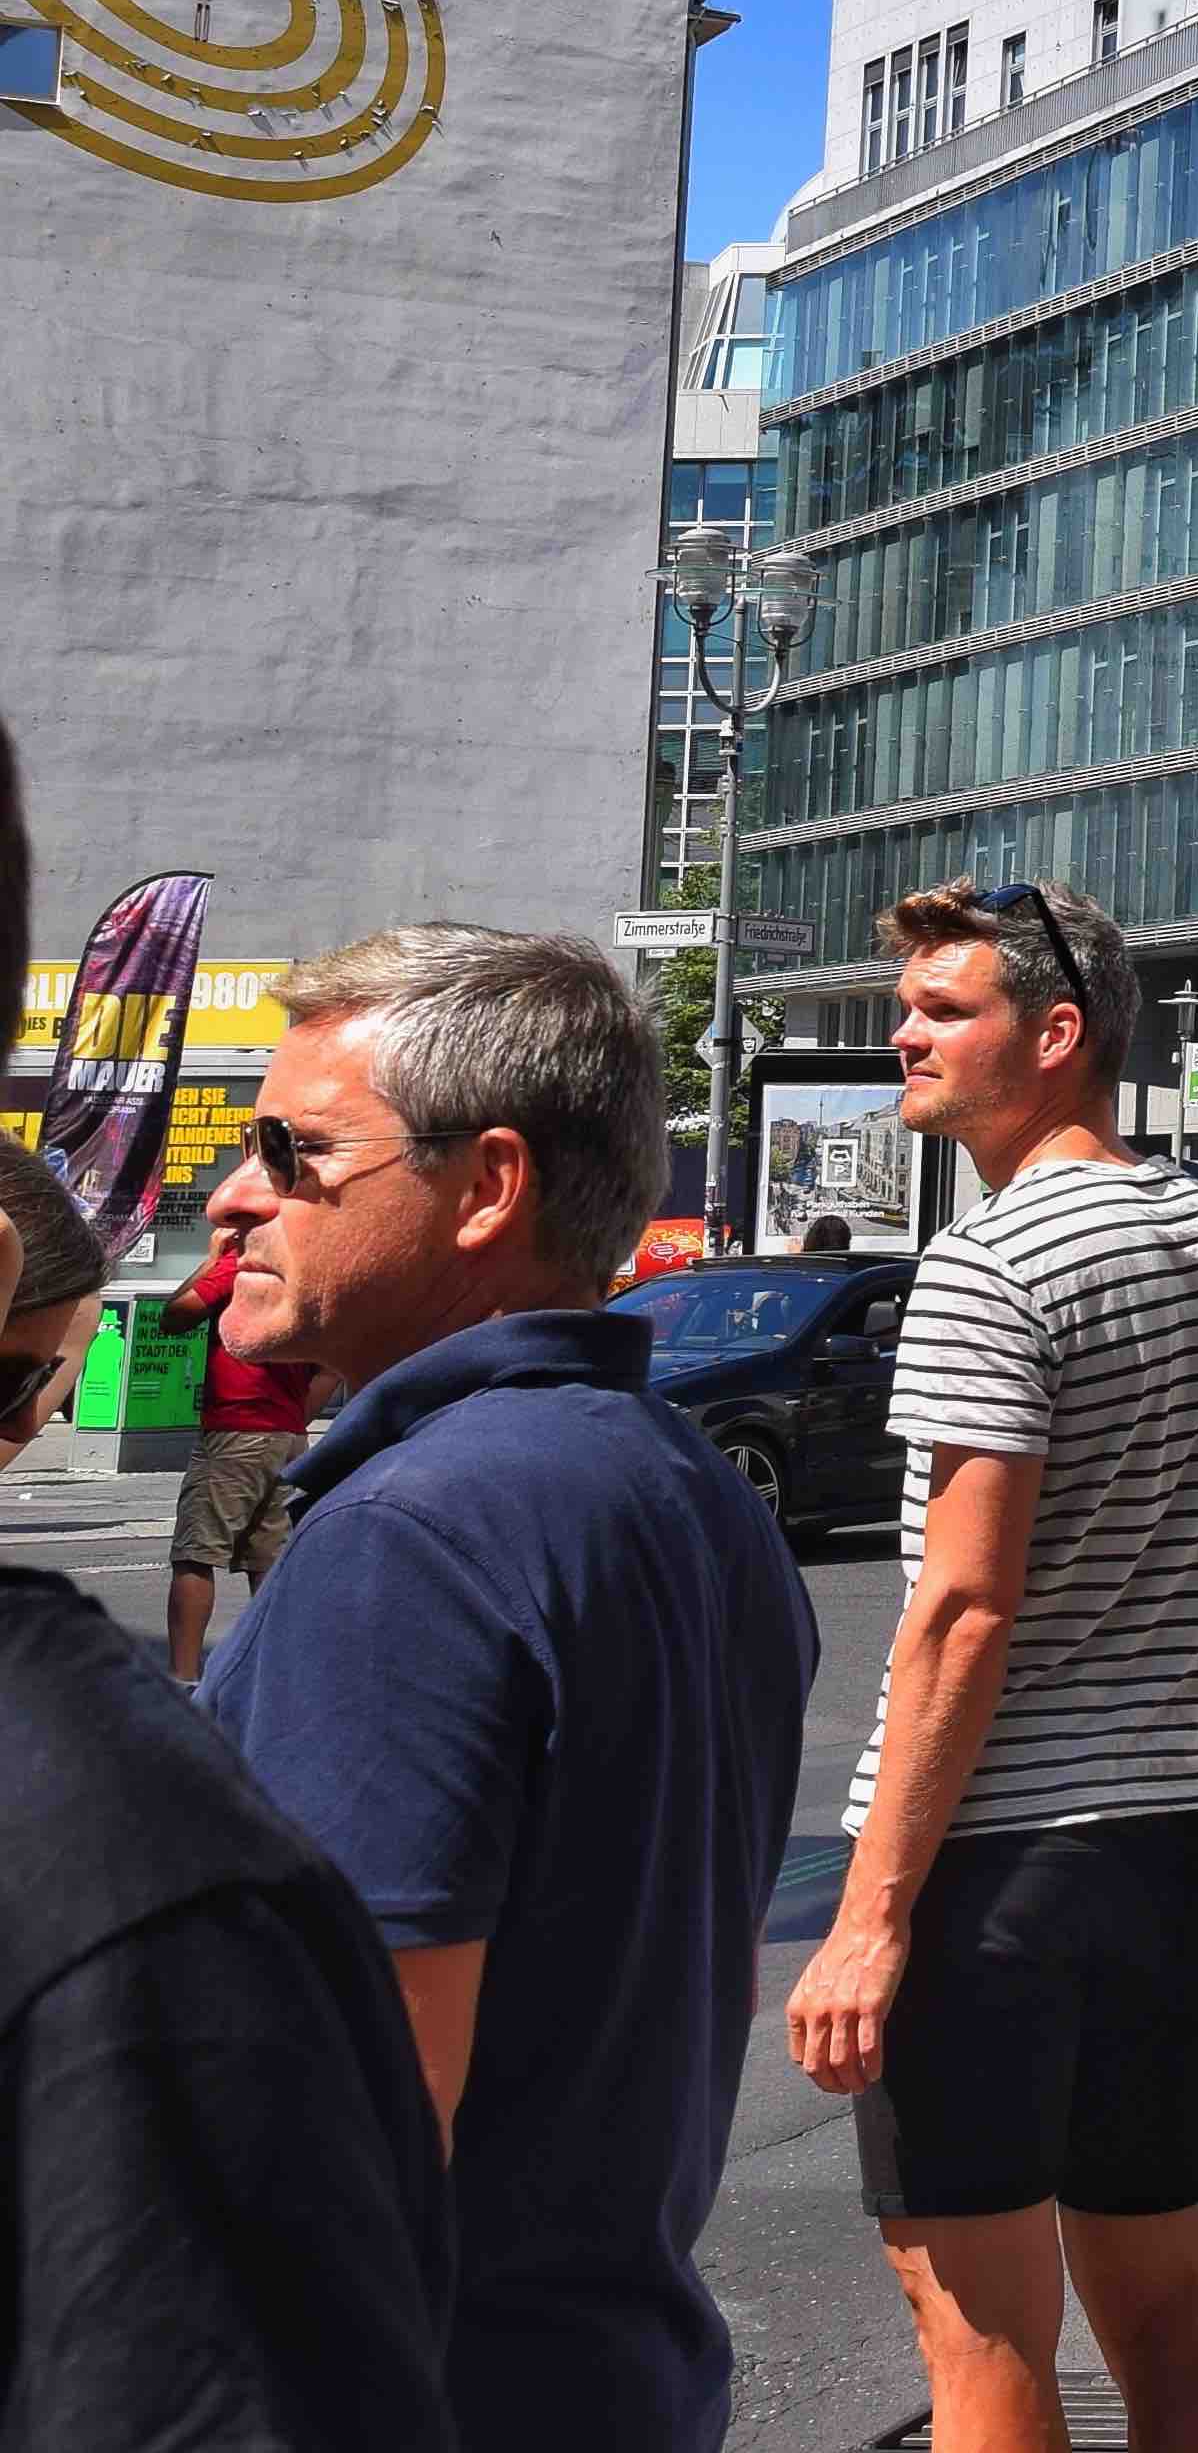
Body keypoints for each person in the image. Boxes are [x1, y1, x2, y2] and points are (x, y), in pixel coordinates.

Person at [174, 933, 812, 2452]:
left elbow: (351, 2140)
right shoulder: (688, 1492)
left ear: (490, 1184)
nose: (234, 1194)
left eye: (296, 1150)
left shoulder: (410, 1538)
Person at [789, 882, 1198, 2453]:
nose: (906, 1032)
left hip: (992, 1869)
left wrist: (873, 1911)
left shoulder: (990, 1264)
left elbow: (964, 1607)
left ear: (1059, 1033)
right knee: (1163, 2305)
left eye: (946, 1009)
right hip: (1160, 1848)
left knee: (981, 2332)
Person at [0, 1136, 466, 2453]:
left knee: (207, 1553)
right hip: (278, 1452)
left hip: (238, 1443)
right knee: (253, 1554)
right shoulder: (141, 1824)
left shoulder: (123, 1828)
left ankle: (211, 1656)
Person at [146, 1201, 322, 1680]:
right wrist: (293, 1417)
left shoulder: (243, 1264)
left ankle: (183, 1677)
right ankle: (269, 1672)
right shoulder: (305, 1269)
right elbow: (327, 1368)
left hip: (236, 1429)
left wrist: (210, 1261)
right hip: (285, 1433)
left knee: (195, 1553)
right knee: (266, 1559)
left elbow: (175, 1316)